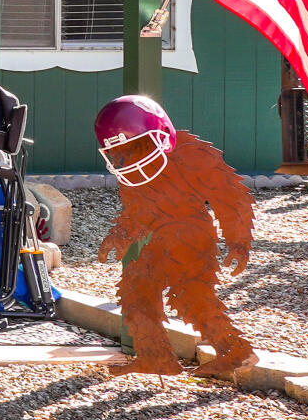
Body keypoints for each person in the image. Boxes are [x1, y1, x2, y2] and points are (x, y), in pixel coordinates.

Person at [93, 94, 257, 377]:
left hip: (192, 234)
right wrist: (121, 233)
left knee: (190, 294)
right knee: (136, 290)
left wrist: (238, 240)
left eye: (136, 146)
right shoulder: (134, 171)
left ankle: (235, 351)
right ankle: (156, 357)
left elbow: (231, 196)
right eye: (122, 151)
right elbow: (139, 211)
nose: (131, 157)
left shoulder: (192, 154)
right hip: (160, 238)